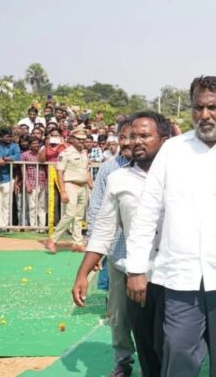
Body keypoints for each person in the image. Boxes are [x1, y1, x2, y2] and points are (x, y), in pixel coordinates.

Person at [126, 76, 216, 377]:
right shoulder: (173, 150)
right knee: (177, 350)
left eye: (213, 107)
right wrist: (136, 267)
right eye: (198, 108)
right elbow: (147, 211)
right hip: (182, 275)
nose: (205, 115)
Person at [73, 112, 171, 377]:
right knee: (148, 347)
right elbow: (104, 230)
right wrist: (83, 273)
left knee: (174, 345)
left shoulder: (180, 176)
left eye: (144, 136)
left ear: (164, 140)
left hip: (177, 279)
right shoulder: (118, 179)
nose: (135, 141)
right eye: (132, 136)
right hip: (138, 278)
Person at [83, 118, 135, 376]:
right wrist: (95, 250)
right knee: (117, 312)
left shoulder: (158, 166)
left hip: (152, 256)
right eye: (122, 137)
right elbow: (96, 210)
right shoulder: (108, 169)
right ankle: (123, 360)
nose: (127, 142)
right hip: (117, 252)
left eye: (132, 136)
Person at [45, 127, 93, 252]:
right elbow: (59, 172)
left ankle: (77, 242)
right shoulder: (65, 153)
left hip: (82, 186)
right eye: (78, 139)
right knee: (70, 214)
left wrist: (91, 185)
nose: (81, 141)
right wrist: (63, 191)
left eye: (83, 139)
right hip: (70, 185)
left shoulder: (84, 153)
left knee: (79, 216)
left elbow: (86, 170)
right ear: (72, 139)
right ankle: (53, 239)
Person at [0, 127, 22, 230]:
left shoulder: (15, 145)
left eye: (10, 136)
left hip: (8, 177)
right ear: (0, 137)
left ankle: (3, 226)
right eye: (7, 136)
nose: (9, 138)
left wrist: (7, 159)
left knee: (6, 203)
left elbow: (18, 156)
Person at [21, 136, 47, 227]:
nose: (36, 145)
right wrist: (27, 185)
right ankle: (33, 226)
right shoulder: (25, 155)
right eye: (33, 143)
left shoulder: (43, 153)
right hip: (31, 183)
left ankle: (42, 227)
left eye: (37, 143)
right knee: (32, 206)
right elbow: (23, 171)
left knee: (42, 206)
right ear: (29, 145)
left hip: (42, 183)